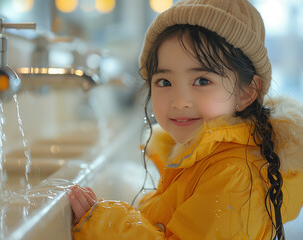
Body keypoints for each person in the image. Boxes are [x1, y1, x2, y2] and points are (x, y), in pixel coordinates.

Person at [68, 0, 303, 239]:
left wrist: (105, 224)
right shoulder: (196, 160)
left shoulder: (235, 176)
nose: (180, 101)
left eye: (202, 81)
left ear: (246, 93)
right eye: (165, 82)